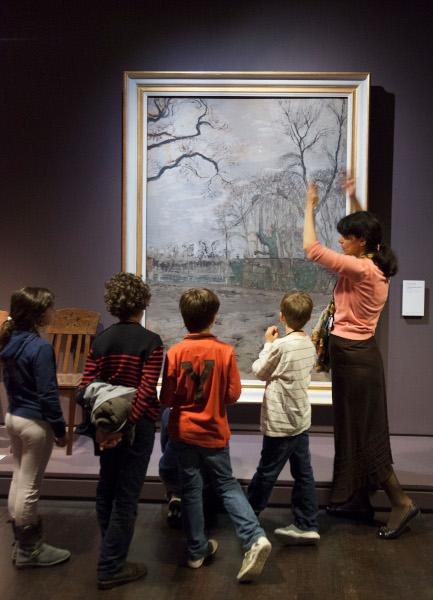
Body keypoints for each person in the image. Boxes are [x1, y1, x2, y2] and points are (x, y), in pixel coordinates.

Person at [303, 179, 419, 539]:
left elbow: (312, 249)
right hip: (354, 357)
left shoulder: (364, 269)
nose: (341, 241)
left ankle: (401, 502)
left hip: (356, 360)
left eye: (346, 236)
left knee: (365, 435)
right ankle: (356, 500)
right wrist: (353, 197)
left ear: (362, 242)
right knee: (352, 431)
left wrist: (310, 205)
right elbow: (368, 224)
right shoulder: (371, 260)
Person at [160, 288, 272, 582]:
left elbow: (167, 399)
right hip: (213, 433)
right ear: (214, 317)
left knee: (191, 490)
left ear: (184, 318)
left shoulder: (174, 353)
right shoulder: (224, 352)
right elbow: (233, 395)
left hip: (184, 434)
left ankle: (196, 551)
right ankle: (254, 537)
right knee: (227, 486)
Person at [79, 273, 163, 589]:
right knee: (126, 495)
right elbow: (145, 392)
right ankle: (111, 566)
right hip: (135, 428)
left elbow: (84, 388)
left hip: (105, 428)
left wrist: (105, 428)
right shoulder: (151, 342)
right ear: (143, 303)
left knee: (107, 488)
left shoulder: (100, 341)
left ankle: (111, 555)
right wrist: (125, 426)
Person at [0, 287, 70, 567]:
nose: (54, 312)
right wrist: (60, 429)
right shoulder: (39, 347)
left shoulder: (10, 341)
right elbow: (48, 393)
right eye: (51, 307)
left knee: (19, 479)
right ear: (40, 313)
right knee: (29, 485)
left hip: (13, 416)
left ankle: (21, 544)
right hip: (34, 422)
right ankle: (30, 551)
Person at [248, 290, 320, 545]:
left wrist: (267, 343)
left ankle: (247, 518)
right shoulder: (309, 344)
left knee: (266, 472)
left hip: (279, 423)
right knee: (304, 473)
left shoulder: (280, 345)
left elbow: (259, 371)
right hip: (301, 420)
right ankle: (307, 522)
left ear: (282, 316)